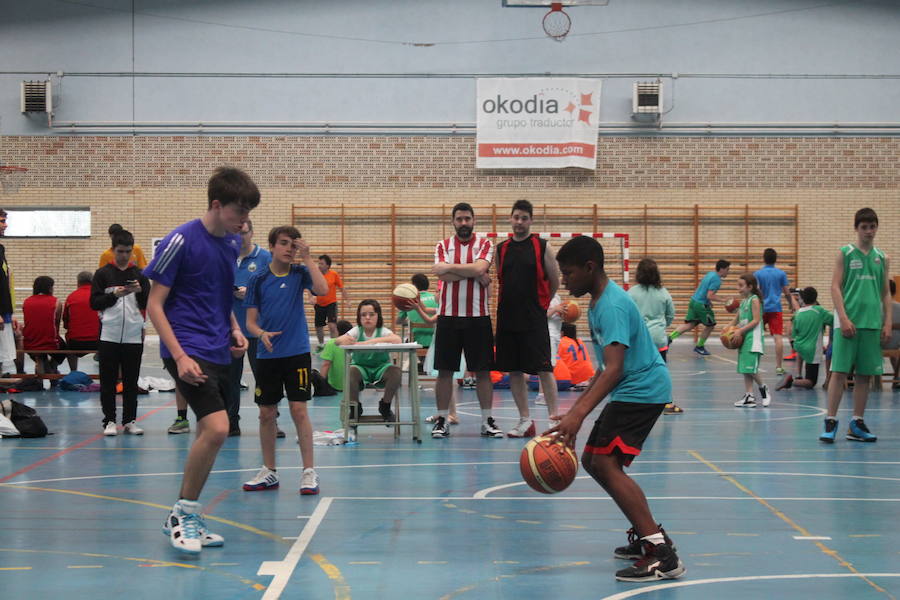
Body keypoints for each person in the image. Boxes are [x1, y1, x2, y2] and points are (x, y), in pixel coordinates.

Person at [547, 235, 684, 583]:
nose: (564, 280)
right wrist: (575, 410)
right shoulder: (599, 303)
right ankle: (649, 535)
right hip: (634, 389)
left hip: (643, 390)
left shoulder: (612, 306)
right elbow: (604, 369)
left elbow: (615, 369)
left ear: (589, 267)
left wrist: (579, 415)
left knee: (605, 463)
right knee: (594, 461)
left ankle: (661, 554)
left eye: (569, 273)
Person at [145, 166, 259, 554]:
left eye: (247, 214)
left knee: (207, 434)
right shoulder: (180, 240)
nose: (244, 222)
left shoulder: (230, 244)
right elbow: (154, 304)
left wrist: (234, 328)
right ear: (216, 204)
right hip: (186, 347)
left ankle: (184, 514)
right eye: (239, 212)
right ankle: (184, 513)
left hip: (216, 347)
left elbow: (220, 294)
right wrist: (178, 356)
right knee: (217, 428)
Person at [242, 225, 328, 495]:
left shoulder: (300, 273)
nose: (289, 248)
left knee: (299, 410)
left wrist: (308, 258)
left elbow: (322, 289)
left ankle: (309, 472)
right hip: (267, 355)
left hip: (297, 353)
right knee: (266, 413)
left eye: (293, 244)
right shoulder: (258, 279)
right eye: (283, 243)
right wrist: (261, 334)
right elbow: (250, 323)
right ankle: (269, 470)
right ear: (272, 247)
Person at [820, 208, 891, 444]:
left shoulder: (882, 257)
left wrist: (887, 321)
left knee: (864, 375)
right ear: (856, 228)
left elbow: (885, 293)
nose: (869, 231)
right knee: (839, 372)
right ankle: (830, 421)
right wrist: (843, 317)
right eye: (864, 227)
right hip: (847, 323)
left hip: (872, 323)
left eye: (873, 226)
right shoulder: (846, 253)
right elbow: (835, 287)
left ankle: (856, 424)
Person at [494, 199, 560, 437]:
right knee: (514, 371)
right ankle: (524, 420)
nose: (519, 222)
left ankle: (554, 422)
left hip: (534, 318)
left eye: (524, 218)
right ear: (510, 219)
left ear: (531, 220)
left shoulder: (542, 246)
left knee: (544, 369)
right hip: (507, 318)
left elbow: (555, 281)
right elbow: (502, 279)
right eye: (516, 217)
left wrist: (541, 305)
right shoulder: (501, 249)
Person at [430, 202, 497, 439]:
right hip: (448, 317)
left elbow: (477, 268)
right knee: (445, 371)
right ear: (453, 222)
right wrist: (474, 272)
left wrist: (452, 269)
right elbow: (441, 272)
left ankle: (487, 420)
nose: (463, 223)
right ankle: (442, 420)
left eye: (467, 218)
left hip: (478, 317)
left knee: (483, 371)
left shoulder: (485, 244)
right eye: (459, 219)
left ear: (474, 220)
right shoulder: (443, 245)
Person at [91, 229, 150, 436]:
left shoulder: (140, 276)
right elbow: (94, 303)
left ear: (132, 251)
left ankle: (130, 420)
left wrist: (139, 293)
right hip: (109, 334)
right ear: (113, 250)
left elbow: (147, 304)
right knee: (107, 381)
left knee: (131, 381)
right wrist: (115, 295)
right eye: (120, 251)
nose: (124, 255)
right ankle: (109, 421)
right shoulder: (102, 274)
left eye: (128, 251)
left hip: (133, 336)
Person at [225, 218, 272, 437]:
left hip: (257, 330)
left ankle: (270, 421)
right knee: (230, 380)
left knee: (264, 378)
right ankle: (231, 422)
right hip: (230, 330)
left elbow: (274, 290)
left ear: (252, 233)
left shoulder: (265, 258)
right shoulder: (224, 257)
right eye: (235, 233)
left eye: (243, 233)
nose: (239, 237)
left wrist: (252, 294)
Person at [334, 299, 403, 425]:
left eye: (371, 314)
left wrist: (367, 343)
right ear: (359, 317)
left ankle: (385, 405)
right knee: (350, 372)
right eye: (363, 315)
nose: (367, 318)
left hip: (381, 368)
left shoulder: (383, 331)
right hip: (360, 368)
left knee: (396, 372)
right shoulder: (356, 331)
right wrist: (344, 340)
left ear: (378, 316)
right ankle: (355, 408)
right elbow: (337, 341)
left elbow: (397, 339)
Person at [628, 258, 680, 414]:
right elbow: (670, 314)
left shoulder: (632, 292)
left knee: (638, 371)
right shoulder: (663, 292)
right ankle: (667, 403)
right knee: (661, 372)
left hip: (639, 339)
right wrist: (661, 326)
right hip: (658, 339)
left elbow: (627, 314)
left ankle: (637, 401)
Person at [669, 260, 731, 356]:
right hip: (701, 305)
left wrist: (709, 302)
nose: (728, 272)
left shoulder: (710, 274)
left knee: (690, 325)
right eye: (727, 269)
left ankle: (669, 338)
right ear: (722, 269)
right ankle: (700, 346)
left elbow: (703, 289)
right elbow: (710, 295)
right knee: (710, 325)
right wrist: (724, 300)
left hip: (693, 301)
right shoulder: (717, 280)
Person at [754, 248, 800, 376]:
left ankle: (754, 365)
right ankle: (779, 367)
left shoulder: (757, 274)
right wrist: (791, 304)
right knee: (778, 338)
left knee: (756, 337)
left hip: (761, 308)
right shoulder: (781, 274)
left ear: (764, 259)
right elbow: (787, 292)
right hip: (775, 309)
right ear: (776, 259)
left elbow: (757, 291)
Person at [728, 274, 771, 408]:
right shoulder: (743, 302)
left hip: (754, 338)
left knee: (751, 368)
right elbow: (736, 319)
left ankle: (764, 389)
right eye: (738, 285)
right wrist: (726, 329)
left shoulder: (754, 300)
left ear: (750, 287)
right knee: (745, 369)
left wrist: (740, 331)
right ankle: (749, 396)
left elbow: (756, 320)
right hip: (744, 337)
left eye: (741, 286)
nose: (739, 288)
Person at [777, 287, 832, 390]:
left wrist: (792, 341)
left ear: (802, 299)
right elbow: (833, 320)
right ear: (816, 298)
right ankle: (791, 382)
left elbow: (793, 332)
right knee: (811, 382)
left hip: (799, 346)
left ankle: (798, 374)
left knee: (802, 351)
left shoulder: (798, 313)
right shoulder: (819, 310)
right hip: (813, 349)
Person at [22, 276, 64, 379]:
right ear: (49, 288)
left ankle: (43, 368)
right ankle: (52, 369)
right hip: (50, 342)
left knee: (40, 354)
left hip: (29, 342)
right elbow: (56, 325)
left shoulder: (26, 301)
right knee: (64, 350)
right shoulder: (56, 302)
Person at [62, 271, 100, 372]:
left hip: (76, 343)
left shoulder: (71, 297)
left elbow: (66, 323)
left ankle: (73, 371)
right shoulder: (99, 296)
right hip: (98, 342)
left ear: (78, 283)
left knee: (69, 343)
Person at [536, 293, 564, 407]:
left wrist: (566, 313)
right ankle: (541, 395)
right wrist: (555, 309)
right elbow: (540, 315)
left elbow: (558, 315)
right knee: (547, 366)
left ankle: (544, 394)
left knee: (551, 366)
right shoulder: (543, 296)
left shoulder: (557, 296)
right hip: (548, 333)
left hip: (556, 333)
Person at [313, 254, 346, 349]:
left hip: (331, 303)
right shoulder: (316, 275)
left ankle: (334, 346)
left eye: (321, 264)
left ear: (327, 265)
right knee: (318, 327)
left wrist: (347, 300)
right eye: (319, 263)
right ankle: (321, 345)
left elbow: (342, 288)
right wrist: (311, 297)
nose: (319, 265)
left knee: (332, 326)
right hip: (319, 304)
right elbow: (309, 286)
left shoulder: (334, 274)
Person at [0, 209, 19, 375]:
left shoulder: (1, 249)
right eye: (1, 221)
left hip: (4, 311)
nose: (5, 225)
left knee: (2, 356)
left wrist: (9, 313)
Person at [315, 319, 353, 396]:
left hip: (335, 386)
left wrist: (321, 384)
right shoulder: (355, 343)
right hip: (353, 386)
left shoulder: (331, 343)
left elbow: (326, 364)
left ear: (337, 331)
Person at [558, 323, 594, 387]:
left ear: (562, 332)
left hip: (572, 378)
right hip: (588, 376)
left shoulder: (561, 342)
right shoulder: (580, 341)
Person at [885, 280, 900, 391]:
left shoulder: (876, 307)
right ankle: (897, 377)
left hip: (877, 344)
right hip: (895, 345)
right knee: (894, 355)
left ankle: (872, 378)